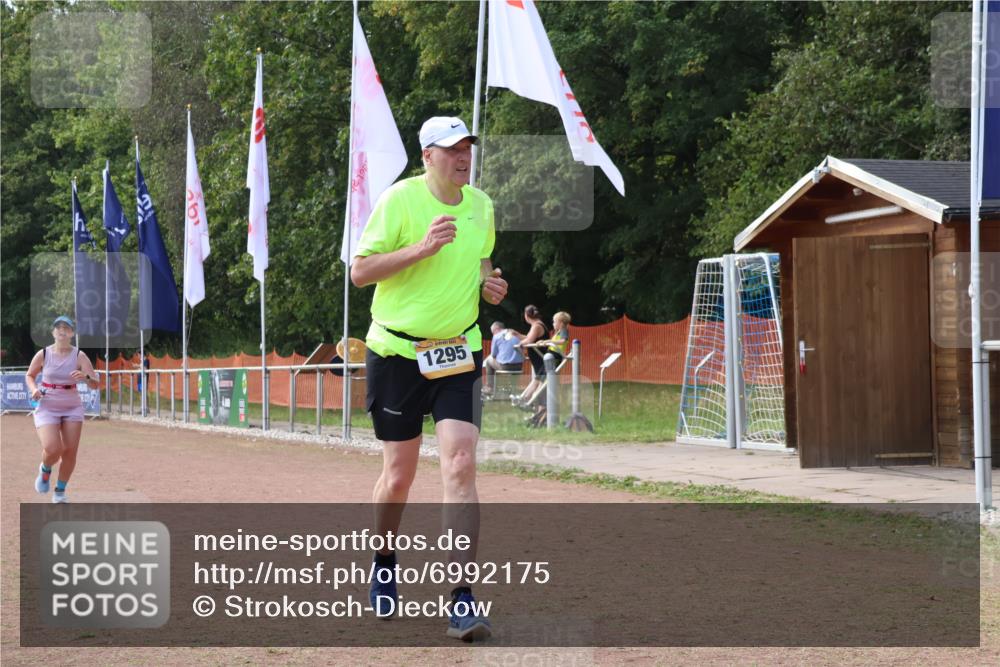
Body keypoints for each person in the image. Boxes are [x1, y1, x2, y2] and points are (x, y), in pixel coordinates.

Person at [350, 115, 508, 641]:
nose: (463, 156)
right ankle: (383, 560)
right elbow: (360, 272)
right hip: (397, 352)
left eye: (467, 147)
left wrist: (490, 284)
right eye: (451, 148)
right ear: (427, 156)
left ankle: (461, 597)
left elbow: (482, 261)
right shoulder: (399, 200)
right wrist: (421, 248)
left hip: (458, 351)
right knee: (399, 476)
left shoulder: (481, 205)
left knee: (460, 463)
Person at [24, 316, 100, 503]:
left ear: (72, 333)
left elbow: (95, 384)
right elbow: (30, 375)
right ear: (53, 332)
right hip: (47, 405)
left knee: (70, 451)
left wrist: (85, 377)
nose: (62, 331)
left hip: (72, 406)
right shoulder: (43, 354)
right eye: (58, 328)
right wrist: (34, 390)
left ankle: (59, 491)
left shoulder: (79, 356)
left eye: (66, 328)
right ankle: (45, 469)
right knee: (52, 448)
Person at [511, 305, 548, 405]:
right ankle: (524, 398)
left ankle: (526, 399)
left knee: (538, 379)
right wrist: (517, 335)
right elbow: (528, 338)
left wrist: (520, 344)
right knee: (537, 379)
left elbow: (529, 340)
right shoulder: (536, 325)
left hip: (540, 357)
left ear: (526, 316)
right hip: (538, 357)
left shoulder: (537, 326)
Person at [481, 321, 524, 397]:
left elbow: (493, 355)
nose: (493, 334)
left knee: (488, 361)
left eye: (493, 332)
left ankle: (490, 387)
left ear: (497, 328)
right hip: (519, 366)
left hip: (505, 366)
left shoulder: (497, 336)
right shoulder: (515, 334)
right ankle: (512, 390)